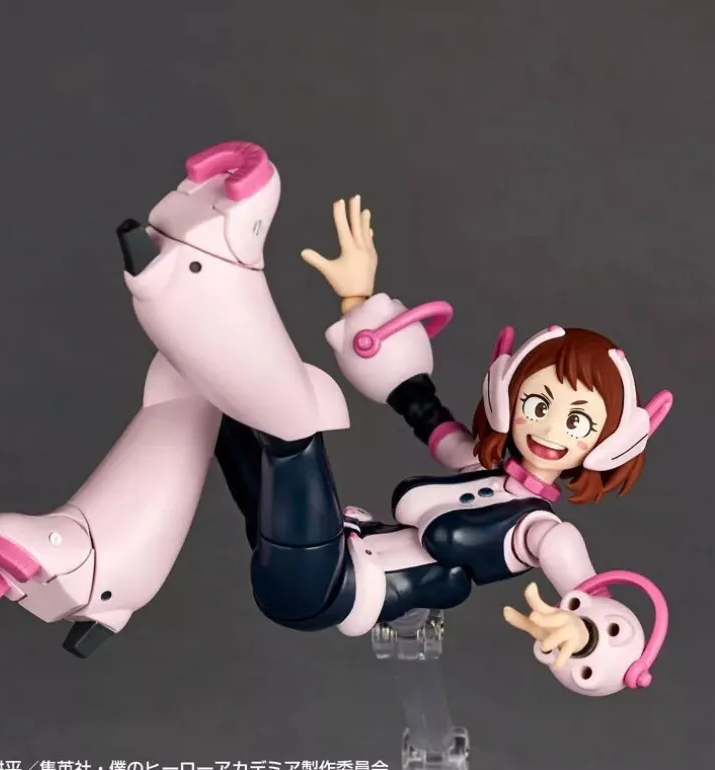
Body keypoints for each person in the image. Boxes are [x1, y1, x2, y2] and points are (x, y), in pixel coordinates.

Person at [216, 196, 673, 673]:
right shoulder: (478, 464)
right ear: (506, 397)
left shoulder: (541, 532)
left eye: (577, 422)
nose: (549, 428)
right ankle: (205, 363)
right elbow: (416, 403)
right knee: (228, 417)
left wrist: (583, 633)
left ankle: (221, 301)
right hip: (324, 553)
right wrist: (358, 300)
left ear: (609, 444)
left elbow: (587, 591)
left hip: (329, 586)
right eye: (537, 405)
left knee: (293, 424)